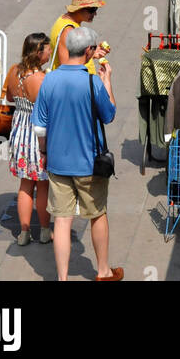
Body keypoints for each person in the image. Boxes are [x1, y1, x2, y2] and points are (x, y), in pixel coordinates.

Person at [32, 25, 122, 282]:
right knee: (97, 215)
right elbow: (110, 114)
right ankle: (103, 271)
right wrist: (107, 81)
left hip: (58, 162)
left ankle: (62, 278)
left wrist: (44, 151)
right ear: (88, 51)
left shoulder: (49, 79)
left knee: (61, 220)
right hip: (88, 164)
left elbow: (39, 125)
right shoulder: (93, 82)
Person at [2, 32, 52, 246]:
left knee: (24, 184)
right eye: (48, 49)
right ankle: (43, 230)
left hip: (19, 132)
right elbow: (50, 109)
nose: (50, 52)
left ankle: (23, 233)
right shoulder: (42, 79)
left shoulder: (14, 72)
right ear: (39, 52)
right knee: (41, 186)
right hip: (37, 135)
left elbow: (10, 98)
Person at [49, 0, 107, 75]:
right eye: (92, 10)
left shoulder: (66, 21)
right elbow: (67, 68)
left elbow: (74, 58)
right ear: (79, 9)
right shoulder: (68, 31)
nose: (95, 14)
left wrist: (91, 54)